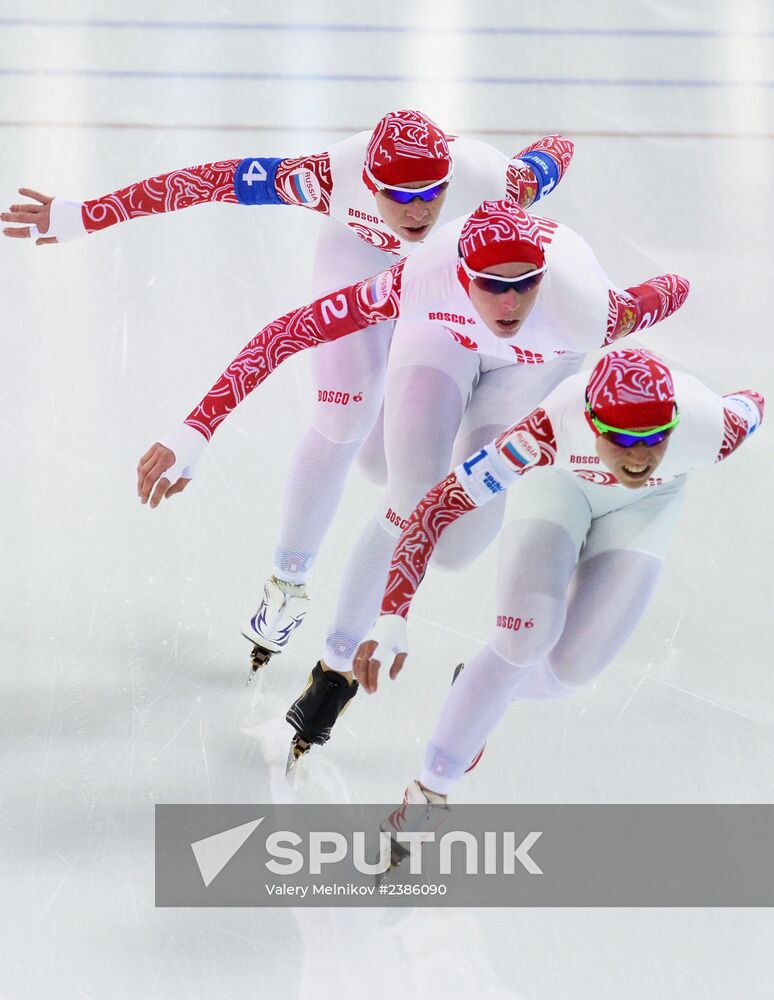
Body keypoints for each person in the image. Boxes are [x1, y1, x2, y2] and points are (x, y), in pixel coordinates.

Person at [1, 110, 573, 668]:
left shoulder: (494, 185)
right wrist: (92, 214)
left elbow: (555, 154)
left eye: (432, 192)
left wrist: (557, 144)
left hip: (441, 282)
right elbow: (206, 183)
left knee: (384, 466)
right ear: (368, 182)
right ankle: (288, 582)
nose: (419, 210)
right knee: (344, 416)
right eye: (398, 195)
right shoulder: (328, 176)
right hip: (361, 256)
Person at [135, 200, 689, 762]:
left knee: (452, 551)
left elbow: (672, 289)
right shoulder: (423, 278)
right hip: (442, 339)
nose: (509, 301)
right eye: (492, 284)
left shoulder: (589, 310)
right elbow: (286, 333)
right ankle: (336, 668)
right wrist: (195, 431)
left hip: (532, 369)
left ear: (544, 276)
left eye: (524, 285)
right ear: (461, 273)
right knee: (409, 495)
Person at [352, 348, 765, 806]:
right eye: (622, 440)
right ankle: (431, 792)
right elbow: (436, 507)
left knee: (570, 671)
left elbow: (753, 401)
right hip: (558, 487)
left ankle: (480, 685)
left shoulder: (714, 428)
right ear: (591, 422)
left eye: (655, 437)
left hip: (646, 510)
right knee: (523, 641)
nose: (639, 458)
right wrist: (393, 611)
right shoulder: (543, 433)